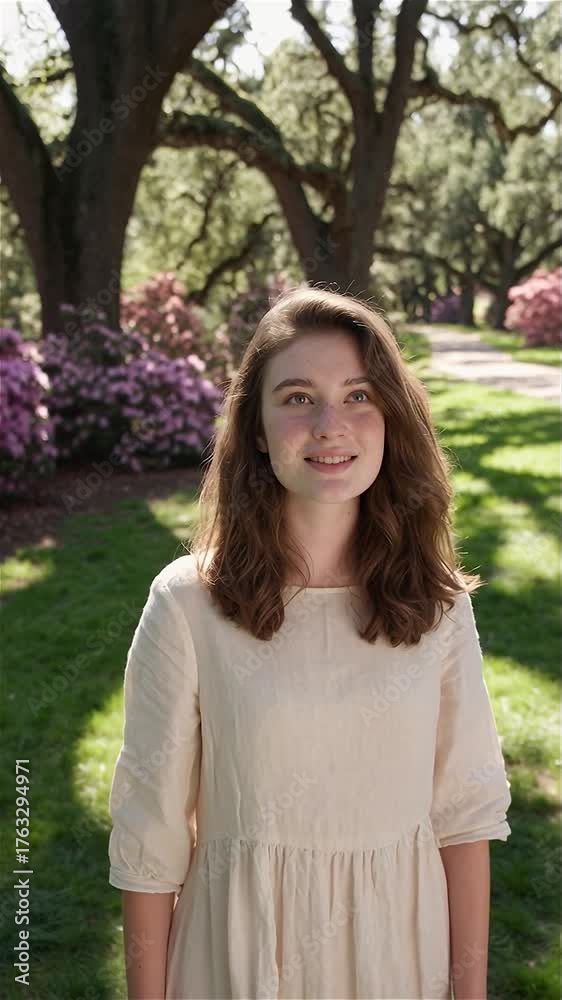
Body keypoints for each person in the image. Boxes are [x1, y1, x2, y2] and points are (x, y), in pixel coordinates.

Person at [107, 286, 512, 1000]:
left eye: (359, 395)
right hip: (237, 960)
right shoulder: (187, 605)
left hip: (398, 961)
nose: (331, 425)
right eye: (298, 398)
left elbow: (464, 819)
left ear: (390, 417)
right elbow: (150, 841)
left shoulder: (437, 605)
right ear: (258, 429)